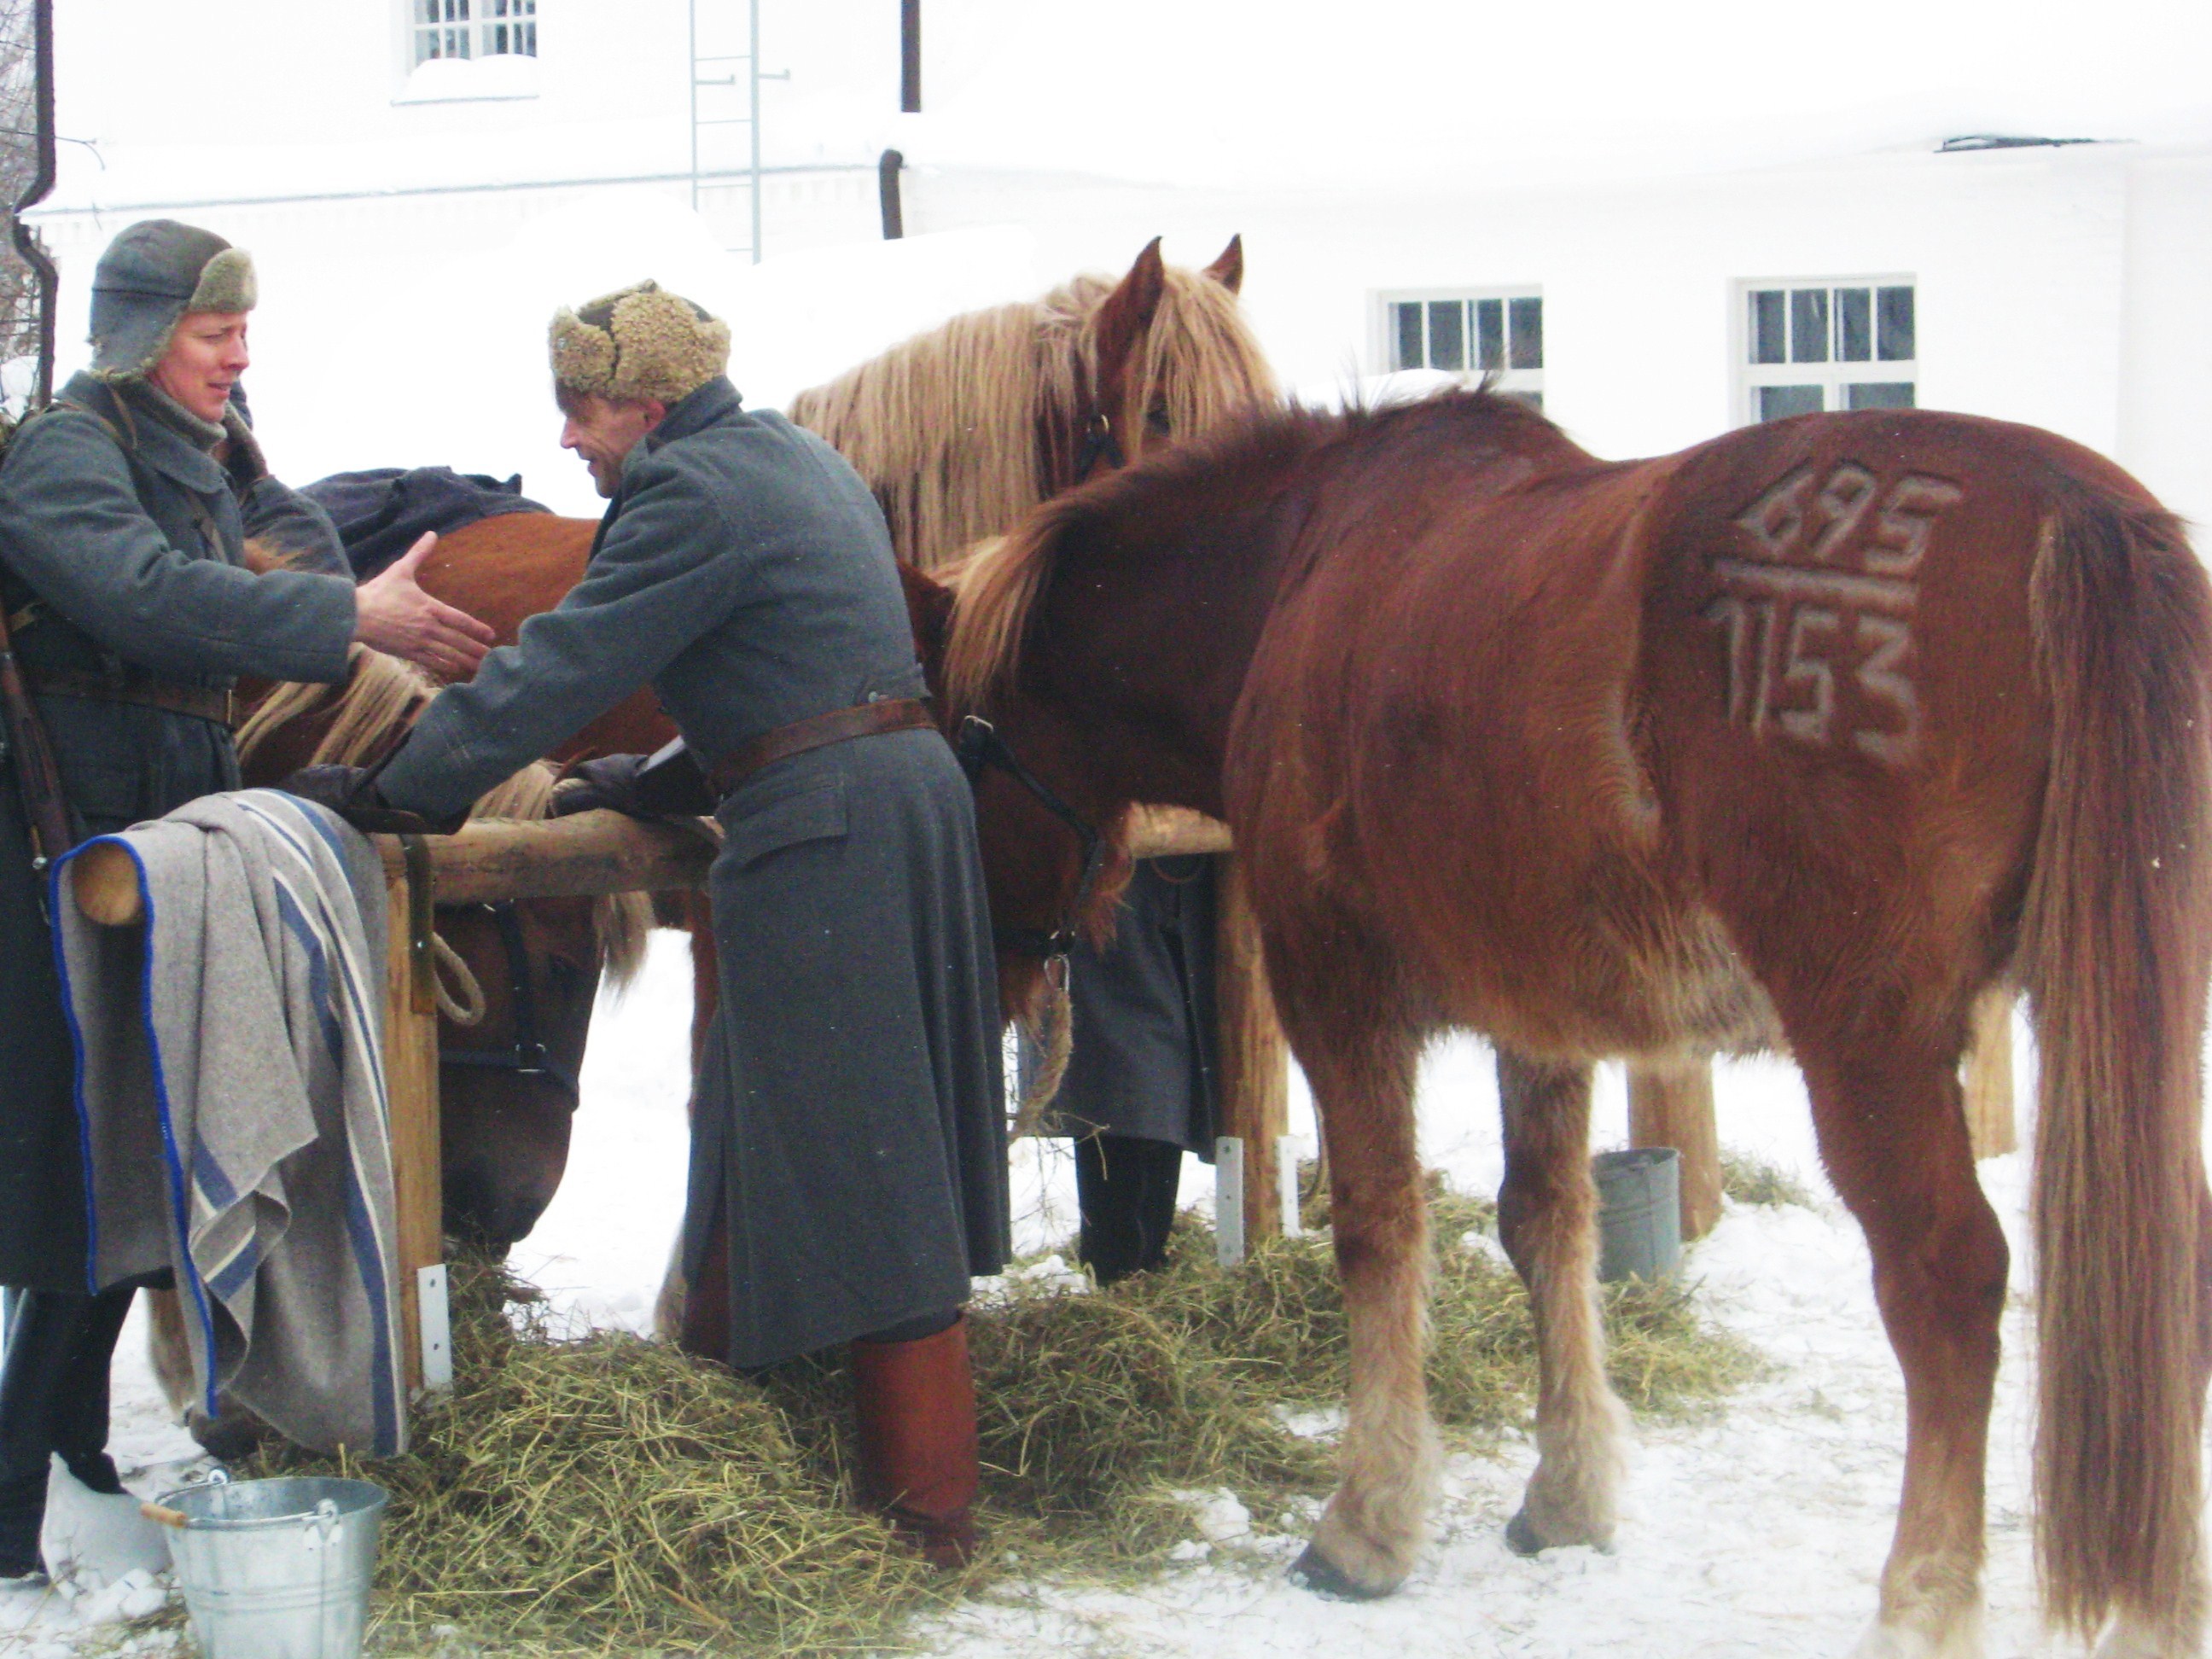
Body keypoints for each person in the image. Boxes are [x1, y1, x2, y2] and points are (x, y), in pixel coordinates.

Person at [288, 280, 1010, 1567]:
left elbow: (558, 667)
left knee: (867, 1142)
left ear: (650, 403)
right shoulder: (790, 456)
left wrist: (395, 789)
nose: (568, 436)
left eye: (584, 408)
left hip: (825, 831)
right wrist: (660, 781)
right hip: (893, 802)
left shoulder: (686, 493)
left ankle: (927, 1515)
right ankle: (771, 1419)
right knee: (772, 1115)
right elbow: (797, 671)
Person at [0, 218, 493, 1579]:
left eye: (240, 334)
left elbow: (281, 538)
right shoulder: (66, 452)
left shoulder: (205, 454)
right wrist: (345, 618)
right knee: (74, 1171)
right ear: (146, 338)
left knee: (133, 1162)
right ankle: (12, 1481)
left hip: (165, 824)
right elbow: (145, 596)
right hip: (67, 845)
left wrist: (327, 581)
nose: (236, 357)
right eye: (215, 335)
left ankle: (56, 1456)